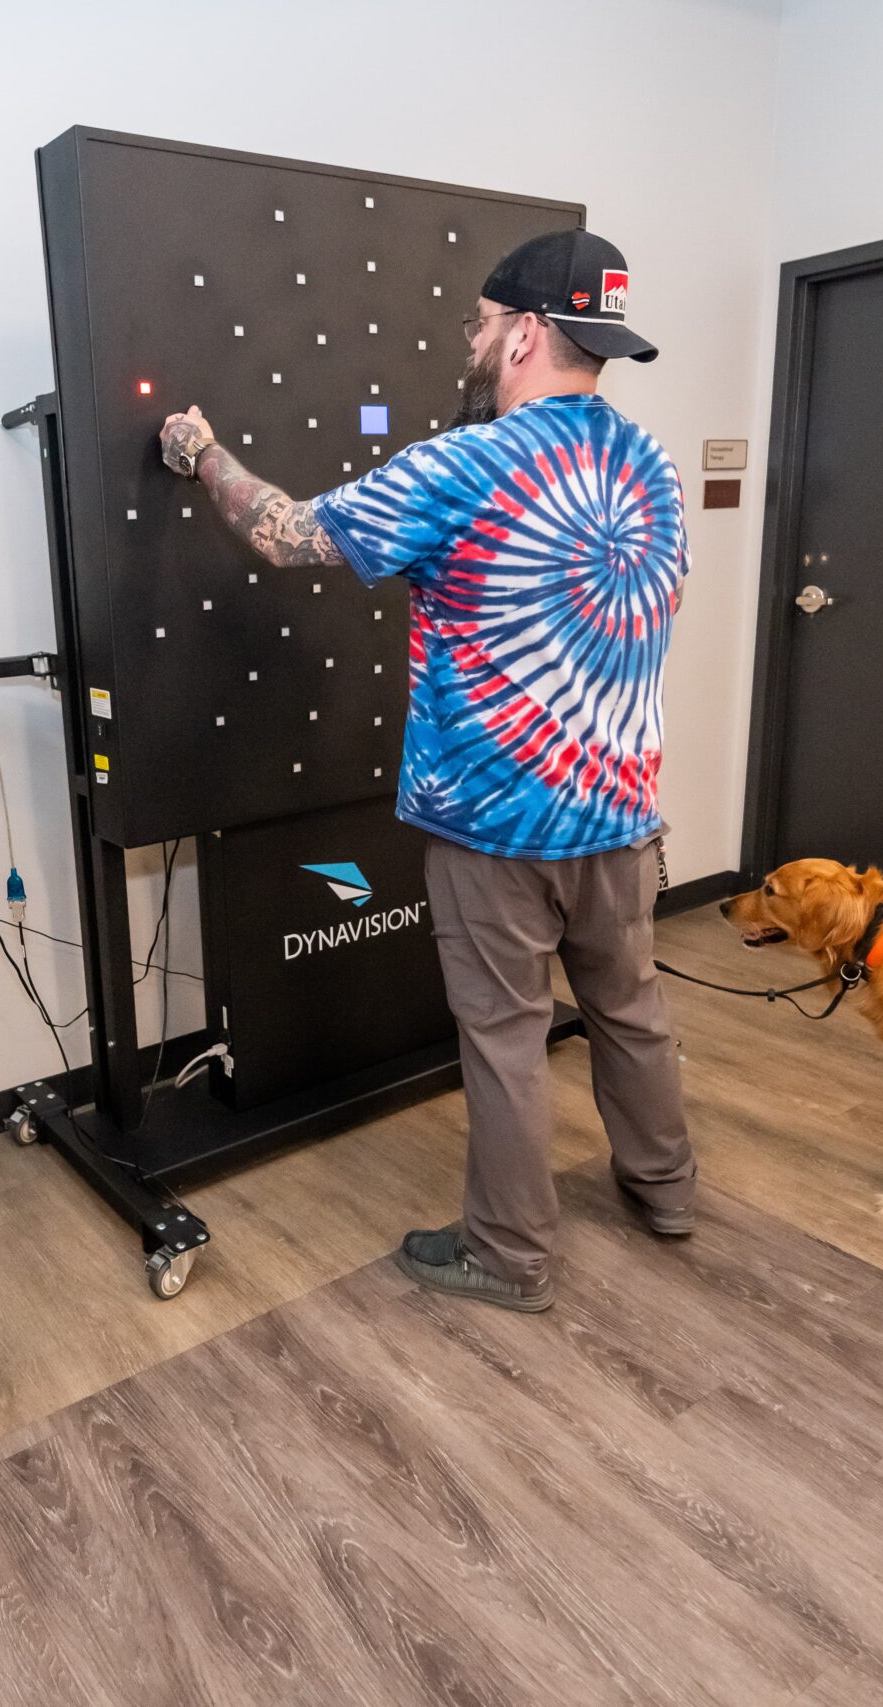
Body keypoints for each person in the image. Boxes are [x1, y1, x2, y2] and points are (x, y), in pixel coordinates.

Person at [157, 229, 695, 1312]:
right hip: (623, 811)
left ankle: (508, 1255)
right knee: (629, 1009)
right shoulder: (652, 465)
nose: (473, 337)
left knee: (503, 1041)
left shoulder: (460, 466)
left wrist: (201, 452)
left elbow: (290, 535)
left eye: (481, 322)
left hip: (496, 827)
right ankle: (665, 1188)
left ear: (525, 333)